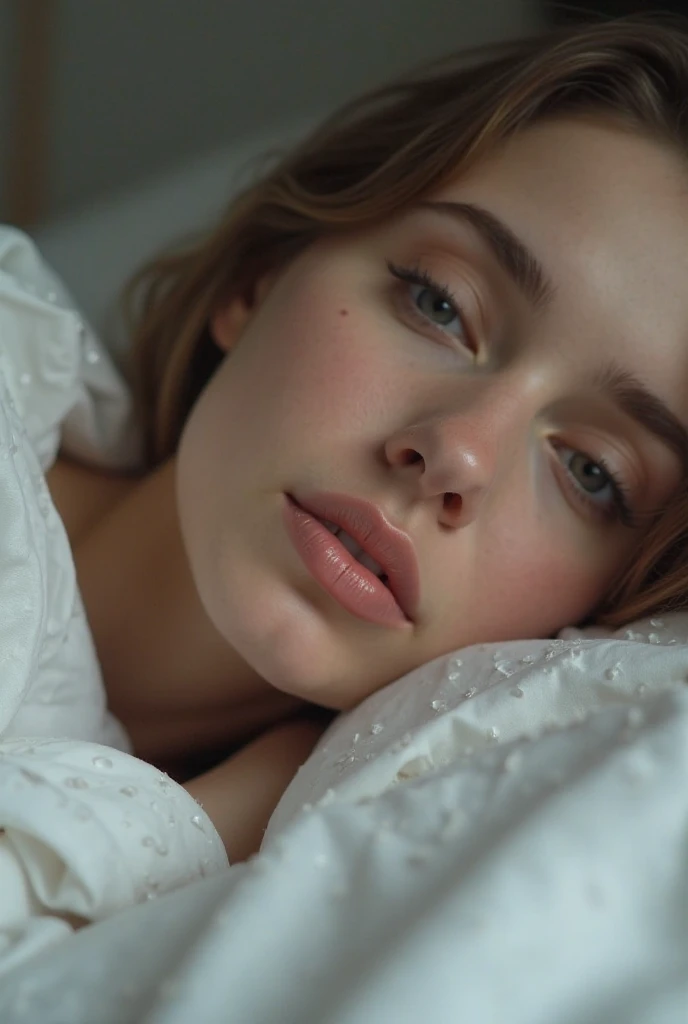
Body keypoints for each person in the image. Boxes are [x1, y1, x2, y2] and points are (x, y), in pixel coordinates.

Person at [45, 14, 688, 862]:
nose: (456, 454)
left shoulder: (304, 882)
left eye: (589, 471)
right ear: (261, 275)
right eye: (441, 303)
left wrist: (224, 817)